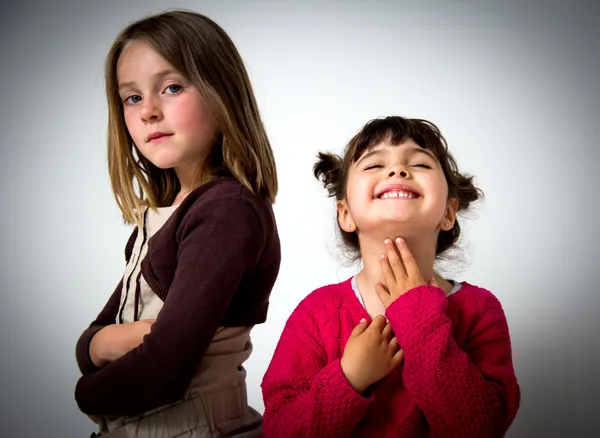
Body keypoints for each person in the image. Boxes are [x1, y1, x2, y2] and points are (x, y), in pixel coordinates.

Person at [74, 10, 280, 438]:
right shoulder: (165, 214)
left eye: (170, 88)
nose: (148, 110)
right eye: (132, 98)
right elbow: (90, 340)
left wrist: (84, 392)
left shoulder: (225, 211)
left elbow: (163, 370)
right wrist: (104, 342)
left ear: (219, 91)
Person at [261, 116, 520, 437]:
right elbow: (279, 430)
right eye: (373, 166)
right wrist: (350, 375)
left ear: (449, 213)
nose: (397, 171)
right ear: (346, 214)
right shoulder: (317, 312)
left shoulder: (480, 309)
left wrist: (417, 314)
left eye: (421, 164)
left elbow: (482, 427)